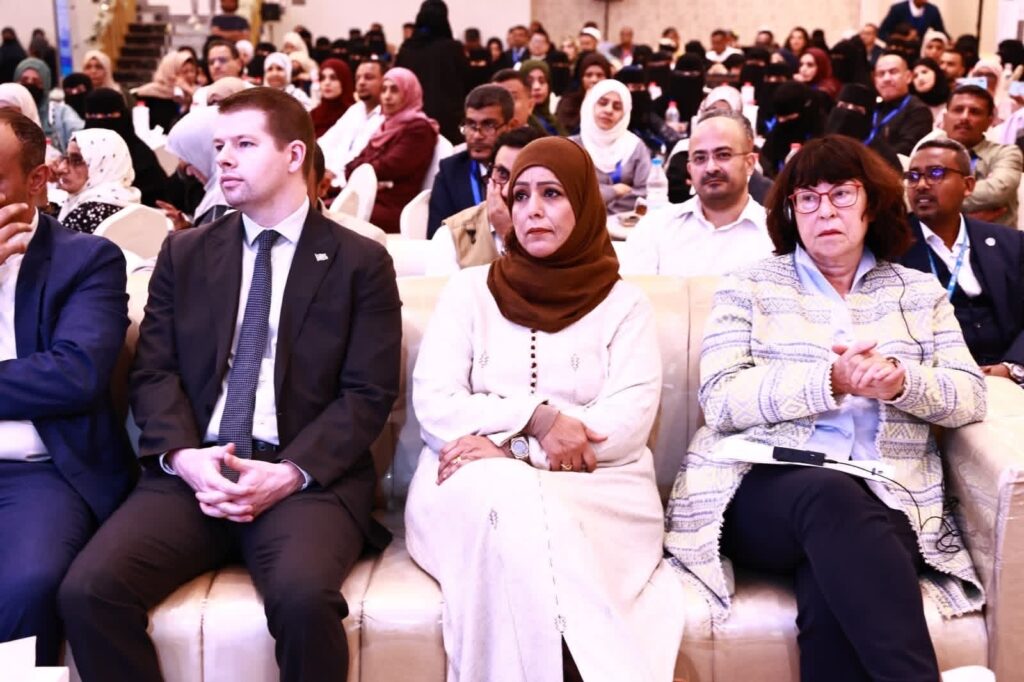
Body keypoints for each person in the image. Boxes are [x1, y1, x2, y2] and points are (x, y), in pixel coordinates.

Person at [59, 86, 402, 682]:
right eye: (220, 146)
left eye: (244, 144)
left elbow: (367, 394)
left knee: (303, 602)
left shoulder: (359, 261)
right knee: (88, 592)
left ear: (294, 155)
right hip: (197, 470)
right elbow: (155, 370)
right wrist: (183, 456)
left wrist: (290, 472)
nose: (224, 158)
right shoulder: (186, 252)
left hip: (303, 480)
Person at [665, 133, 986, 682]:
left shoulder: (918, 293)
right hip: (762, 491)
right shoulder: (749, 286)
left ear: (871, 203)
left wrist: (900, 383)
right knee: (831, 496)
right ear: (791, 211)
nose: (825, 211)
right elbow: (719, 396)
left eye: (841, 193)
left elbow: (970, 394)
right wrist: (829, 380)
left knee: (833, 588)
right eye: (808, 198)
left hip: (889, 496)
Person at [407, 135, 685, 682]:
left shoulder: (624, 305)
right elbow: (435, 405)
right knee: (510, 502)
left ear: (583, 204)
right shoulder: (468, 292)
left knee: (527, 515)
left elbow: (626, 425)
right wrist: (538, 420)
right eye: (521, 195)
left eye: (552, 194)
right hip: (469, 484)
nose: (532, 209)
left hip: (599, 491)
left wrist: (512, 449)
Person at [0, 108, 132, 667]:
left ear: (35, 181)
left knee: (26, 587)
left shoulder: (86, 259)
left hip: (42, 472)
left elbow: (75, 374)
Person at [901, 138, 1024, 384]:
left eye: (936, 173)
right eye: (913, 177)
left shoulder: (1011, 243)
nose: (921, 185)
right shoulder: (893, 249)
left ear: (968, 185)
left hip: (1010, 376)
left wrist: (1013, 367)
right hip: (936, 381)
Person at [624, 111, 772, 276]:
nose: (711, 168)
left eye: (723, 155)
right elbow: (634, 291)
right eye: (700, 158)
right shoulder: (655, 228)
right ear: (690, 169)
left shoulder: (776, 234)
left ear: (749, 164)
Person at [427, 125, 545, 275]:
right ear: (488, 176)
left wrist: (508, 235)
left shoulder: (561, 230)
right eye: (502, 174)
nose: (507, 190)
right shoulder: (452, 237)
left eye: (522, 177)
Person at [344, 67, 439, 233]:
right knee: (318, 205)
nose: (387, 96)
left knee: (328, 213)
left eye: (394, 90)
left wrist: (364, 171)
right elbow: (352, 166)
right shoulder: (385, 126)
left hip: (394, 207)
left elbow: (389, 167)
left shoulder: (419, 129)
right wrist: (365, 171)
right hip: (371, 198)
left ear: (409, 93)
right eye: (384, 90)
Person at [426, 84, 514, 238]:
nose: (477, 135)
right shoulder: (451, 171)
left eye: (488, 125)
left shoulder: (525, 168)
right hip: (467, 251)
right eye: (471, 125)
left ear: (511, 127)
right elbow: (437, 234)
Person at [940, 85, 1023, 227]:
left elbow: (997, 191)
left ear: (989, 121)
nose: (964, 117)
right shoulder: (928, 154)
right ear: (945, 117)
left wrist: (937, 199)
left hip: (996, 239)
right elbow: (911, 198)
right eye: (958, 110)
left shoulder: (1006, 153)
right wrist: (962, 221)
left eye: (975, 112)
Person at [571, 79, 650, 214]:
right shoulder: (571, 147)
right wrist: (614, 191)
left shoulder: (635, 146)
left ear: (625, 114)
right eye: (602, 103)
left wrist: (602, 204)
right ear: (590, 105)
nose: (608, 110)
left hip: (625, 223)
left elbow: (646, 192)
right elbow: (571, 194)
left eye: (617, 107)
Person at [395, 0, 467, 144]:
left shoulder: (407, 49)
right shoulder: (453, 49)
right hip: (448, 122)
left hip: (412, 121)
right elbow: (466, 82)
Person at [83, 88, 167, 207]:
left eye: (108, 115)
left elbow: (155, 196)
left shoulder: (140, 155)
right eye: (93, 116)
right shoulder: (80, 151)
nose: (100, 120)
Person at [56, 129, 141, 234]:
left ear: (104, 165)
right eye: (65, 158)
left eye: (76, 160)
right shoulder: (130, 202)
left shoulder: (85, 215)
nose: (61, 168)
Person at [161, 105, 231, 228]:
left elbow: (214, 239)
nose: (189, 173)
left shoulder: (224, 203)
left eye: (191, 161)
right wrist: (188, 230)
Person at [319, 59, 385, 185]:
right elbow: (325, 143)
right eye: (358, 78)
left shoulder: (386, 117)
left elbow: (363, 162)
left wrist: (333, 174)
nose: (361, 82)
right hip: (328, 179)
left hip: (352, 184)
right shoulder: (355, 110)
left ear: (384, 81)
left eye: (368, 77)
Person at [824, 83, 904, 172]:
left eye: (856, 110)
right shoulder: (820, 145)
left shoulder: (882, 155)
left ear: (868, 118)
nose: (848, 113)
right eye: (843, 106)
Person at [870, 51, 934, 156]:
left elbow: (906, 151)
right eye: (881, 74)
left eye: (893, 72)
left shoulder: (918, 111)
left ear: (908, 77)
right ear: (875, 80)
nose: (886, 79)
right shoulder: (872, 108)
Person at [15, 58, 83, 153]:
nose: (29, 84)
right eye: (24, 80)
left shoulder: (60, 113)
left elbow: (80, 137)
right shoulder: (8, 110)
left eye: (36, 81)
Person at [131, 52, 193, 131]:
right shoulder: (148, 94)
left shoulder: (188, 95)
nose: (189, 75)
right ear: (171, 72)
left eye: (192, 71)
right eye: (184, 72)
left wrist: (189, 90)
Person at [555, 52, 611, 135]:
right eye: (589, 75)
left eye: (599, 75)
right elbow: (564, 131)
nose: (594, 80)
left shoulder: (613, 105)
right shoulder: (568, 102)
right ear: (581, 78)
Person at [310, 58, 353, 138]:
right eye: (322, 78)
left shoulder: (354, 114)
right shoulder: (312, 116)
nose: (327, 83)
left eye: (333, 78)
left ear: (344, 81)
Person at [522, 59, 565, 136]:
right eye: (530, 82)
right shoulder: (521, 123)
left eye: (542, 81)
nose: (537, 87)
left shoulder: (554, 121)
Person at [880, 0, 946, 41]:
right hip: (899, 48)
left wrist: (948, 41)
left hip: (919, 50)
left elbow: (940, 31)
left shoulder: (932, 10)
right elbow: (882, 33)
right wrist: (902, 38)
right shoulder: (898, 9)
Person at [911, 57, 950, 123]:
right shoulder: (911, 107)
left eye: (924, 72)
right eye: (915, 76)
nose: (920, 78)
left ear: (936, 73)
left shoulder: (951, 101)